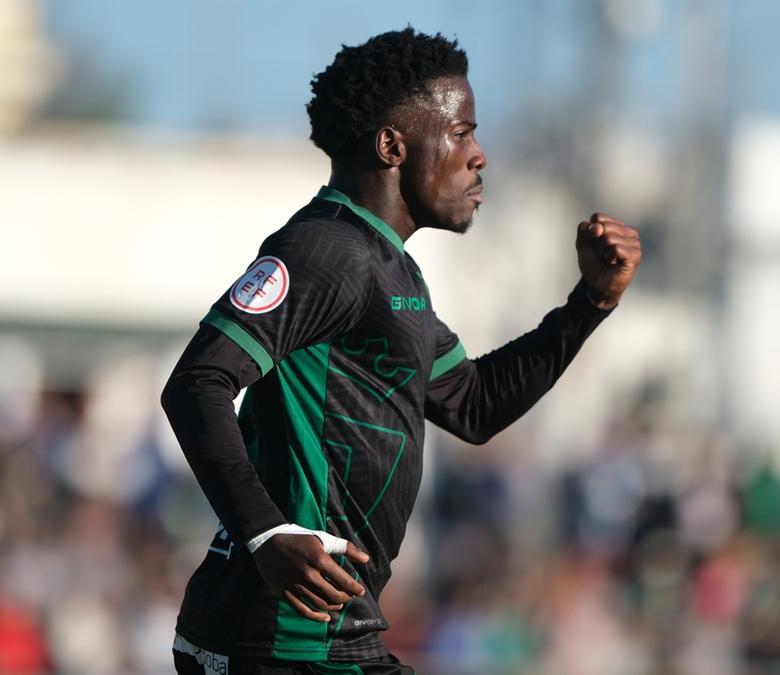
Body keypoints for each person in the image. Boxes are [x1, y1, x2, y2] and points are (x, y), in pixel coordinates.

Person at [161, 27, 641, 675]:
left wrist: (590, 302)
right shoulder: (327, 251)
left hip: (320, 639)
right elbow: (198, 381)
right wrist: (267, 532)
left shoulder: (393, 272)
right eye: (462, 131)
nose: (479, 156)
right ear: (391, 145)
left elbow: (473, 404)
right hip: (283, 640)